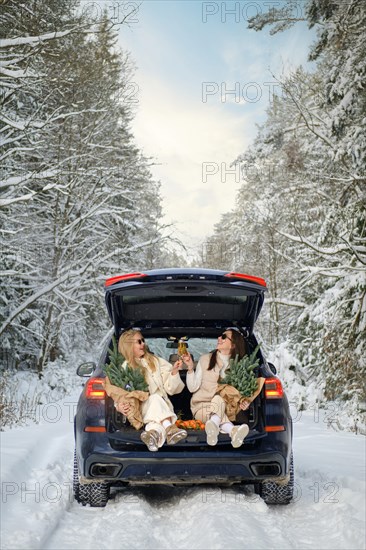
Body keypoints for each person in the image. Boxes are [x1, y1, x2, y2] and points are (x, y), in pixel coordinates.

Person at [182, 328, 265, 448]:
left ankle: (213, 427)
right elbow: (192, 388)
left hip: (227, 409)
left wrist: (244, 402)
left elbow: (241, 393)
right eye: (220, 336)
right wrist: (190, 367)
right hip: (201, 407)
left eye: (224, 337)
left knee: (218, 400)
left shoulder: (241, 367)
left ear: (233, 345)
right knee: (218, 401)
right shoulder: (205, 359)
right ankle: (232, 431)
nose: (219, 338)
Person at [116, 329, 188, 452]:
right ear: (129, 346)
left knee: (155, 413)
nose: (143, 344)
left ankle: (153, 437)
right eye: (139, 342)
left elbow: (171, 389)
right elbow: (118, 391)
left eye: (143, 340)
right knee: (154, 398)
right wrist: (118, 406)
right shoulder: (125, 368)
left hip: (162, 406)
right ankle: (170, 428)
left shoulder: (155, 361)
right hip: (140, 408)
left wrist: (174, 372)